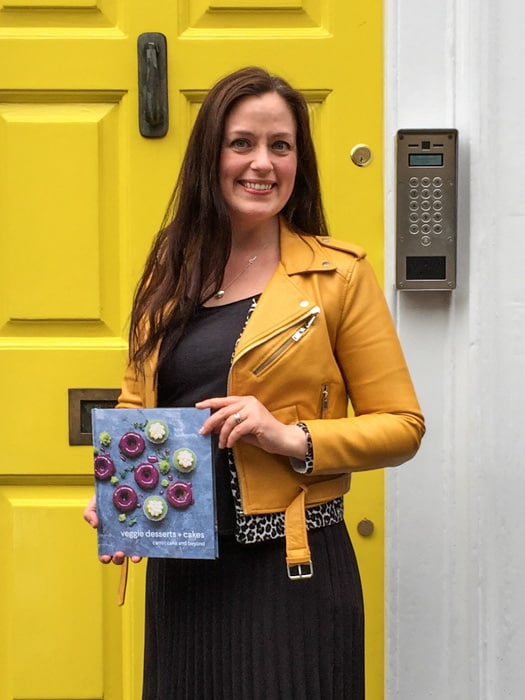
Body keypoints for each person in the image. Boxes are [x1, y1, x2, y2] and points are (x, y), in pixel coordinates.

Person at [84, 65, 425, 700]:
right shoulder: (171, 266)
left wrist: (288, 436)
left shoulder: (338, 277)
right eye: (242, 143)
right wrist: (118, 495)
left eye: (281, 145)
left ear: (300, 160)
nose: (261, 163)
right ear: (210, 155)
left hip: (291, 569)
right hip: (184, 571)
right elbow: (139, 403)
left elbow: (403, 427)